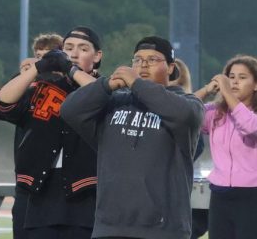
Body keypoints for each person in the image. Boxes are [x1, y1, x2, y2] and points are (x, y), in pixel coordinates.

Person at [61, 35, 205, 239]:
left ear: (171, 67)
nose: (143, 65)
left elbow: (185, 115)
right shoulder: (115, 102)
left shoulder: (188, 103)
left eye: (153, 60)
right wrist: (106, 85)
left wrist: (137, 84)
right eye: (137, 60)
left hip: (162, 231)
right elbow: (69, 110)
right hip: (109, 227)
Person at [0, 26, 104, 239]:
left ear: (97, 56)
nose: (75, 53)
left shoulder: (105, 85)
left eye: (83, 48)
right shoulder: (40, 84)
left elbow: (103, 97)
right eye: (68, 48)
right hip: (36, 191)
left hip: (84, 192)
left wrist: (71, 70)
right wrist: (37, 68)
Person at [194, 55, 257, 239]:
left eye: (242, 78)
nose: (234, 82)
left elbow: (250, 126)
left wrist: (226, 92)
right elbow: (184, 112)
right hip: (220, 193)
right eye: (231, 77)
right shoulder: (215, 113)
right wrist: (205, 90)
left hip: (253, 196)